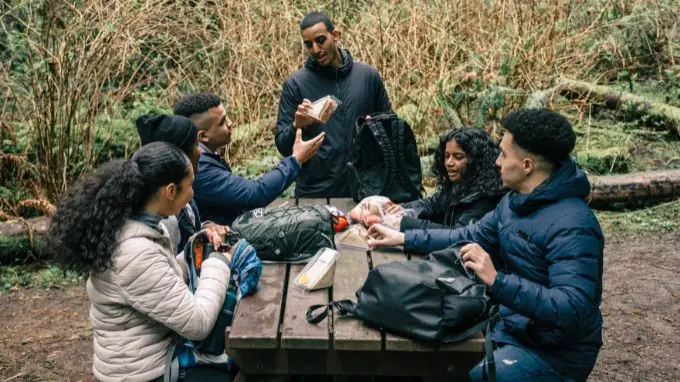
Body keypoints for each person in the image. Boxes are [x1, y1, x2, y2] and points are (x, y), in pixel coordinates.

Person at [366, 109, 604, 382]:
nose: (496, 162)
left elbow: (572, 307)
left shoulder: (573, 225)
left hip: (555, 353)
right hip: (512, 325)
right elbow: (468, 234)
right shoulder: (514, 203)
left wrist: (496, 280)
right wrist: (403, 238)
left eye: (503, 155)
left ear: (527, 165)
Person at [48, 142, 235, 381]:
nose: (193, 193)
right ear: (170, 191)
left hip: (149, 357)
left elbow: (162, 279)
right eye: (190, 186)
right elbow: (197, 323)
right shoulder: (134, 252)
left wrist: (194, 248)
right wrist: (218, 261)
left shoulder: (135, 225)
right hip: (143, 373)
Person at [274, 10, 392, 198]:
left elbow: (391, 128)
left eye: (320, 40)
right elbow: (283, 146)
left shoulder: (367, 76)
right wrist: (296, 125)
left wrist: (377, 127)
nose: (315, 49)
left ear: (335, 35)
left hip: (365, 188)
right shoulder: (296, 84)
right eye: (308, 44)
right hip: (315, 193)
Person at [173, 92, 324, 226]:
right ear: (203, 136)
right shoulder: (200, 169)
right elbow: (256, 194)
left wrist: (296, 126)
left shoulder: (203, 159)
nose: (230, 123)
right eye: (222, 122)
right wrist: (295, 160)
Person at [135, 113, 227, 253]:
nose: (201, 151)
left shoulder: (174, 198)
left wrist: (205, 228)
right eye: (196, 144)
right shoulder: (165, 221)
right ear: (179, 155)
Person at [390, 127, 504, 231]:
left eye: (458, 157)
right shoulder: (458, 186)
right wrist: (397, 210)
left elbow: (457, 234)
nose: (449, 163)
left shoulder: (486, 198)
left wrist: (403, 223)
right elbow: (432, 203)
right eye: (446, 156)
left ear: (477, 161)